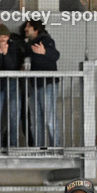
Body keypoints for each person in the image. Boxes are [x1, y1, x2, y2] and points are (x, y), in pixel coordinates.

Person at [22, 20, 61, 148]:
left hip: (47, 84)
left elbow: (55, 55)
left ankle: (56, 148)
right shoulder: (29, 45)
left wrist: (45, 52)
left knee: (49, 119)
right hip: (34, 85)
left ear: (36, 28)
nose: (25, 29)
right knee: (35, 120)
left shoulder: (46, 40)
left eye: (28, 26)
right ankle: (38, 148)